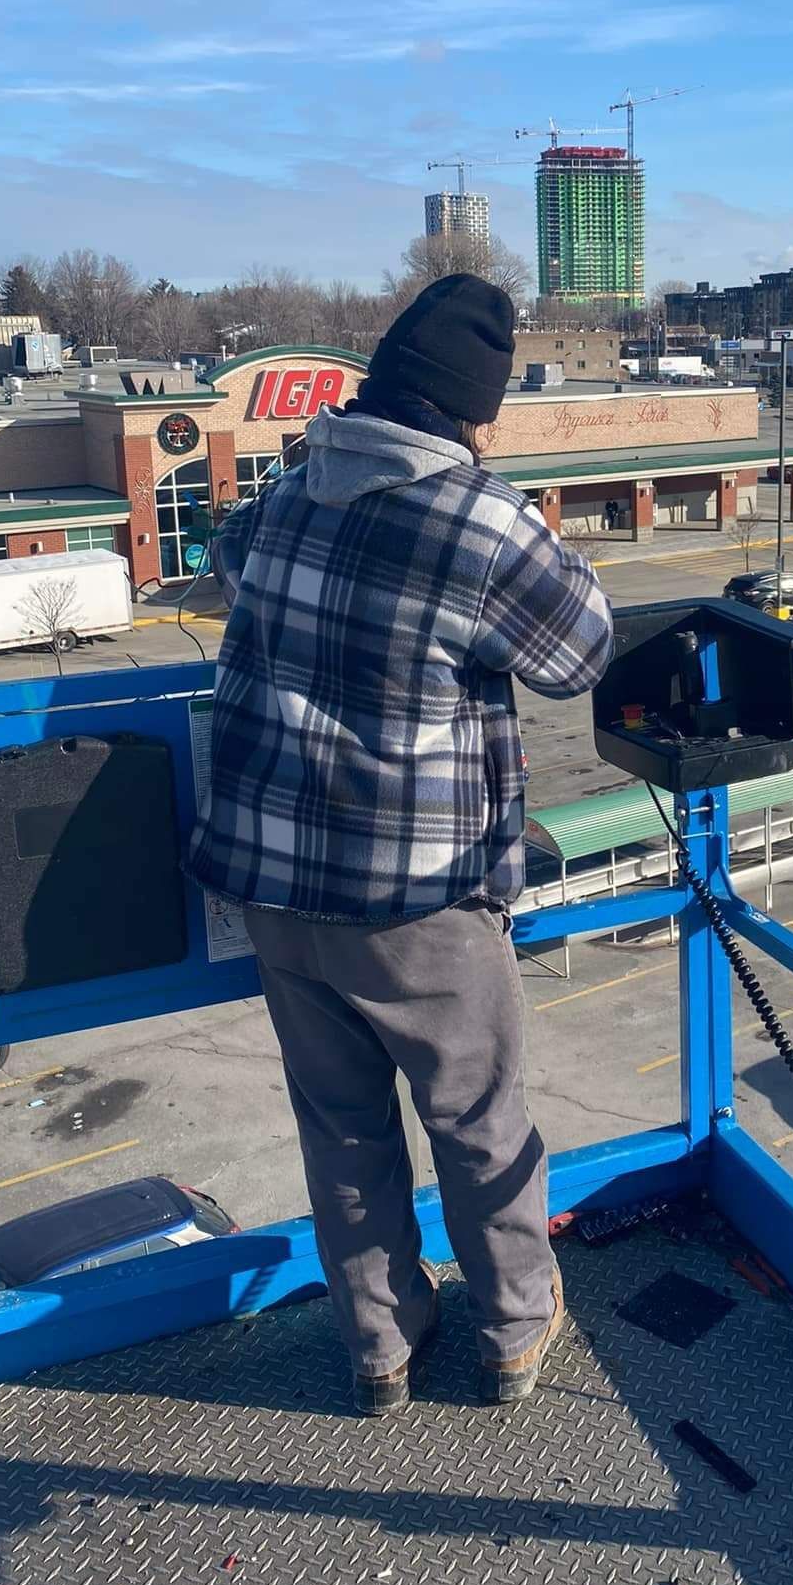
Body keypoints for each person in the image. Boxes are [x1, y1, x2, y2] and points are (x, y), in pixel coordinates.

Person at [189, 275, 614, 1417]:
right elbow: (581, 651)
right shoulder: (478, 516)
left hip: (276, 883)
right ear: (473, 412)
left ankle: (380, 1344)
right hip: (416, 893)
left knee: (341, 1125)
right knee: (477, 1119)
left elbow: (224, 566)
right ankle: (517, 1324)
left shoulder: (286, 496)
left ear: (375, 389)